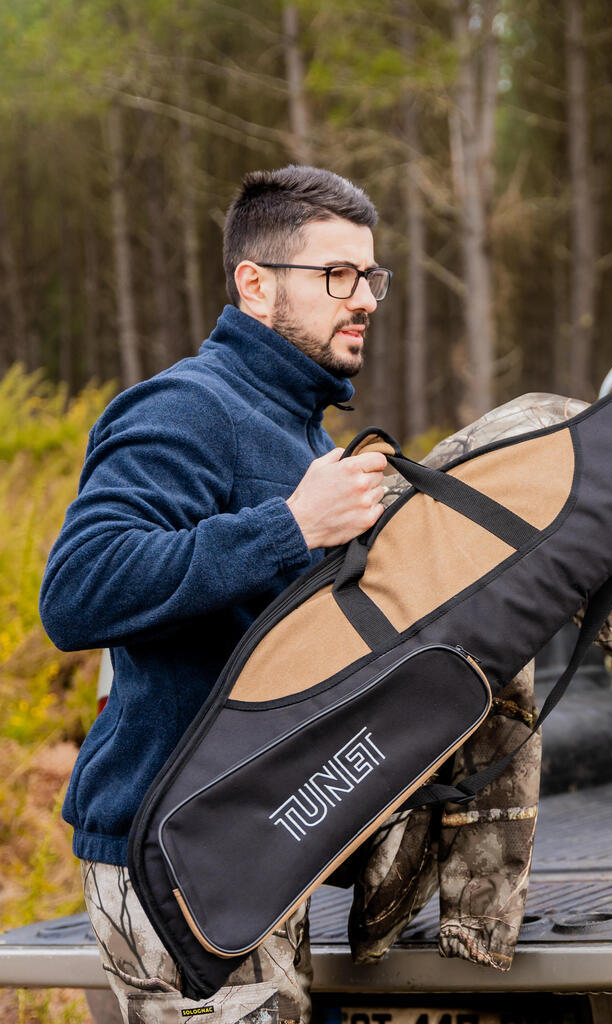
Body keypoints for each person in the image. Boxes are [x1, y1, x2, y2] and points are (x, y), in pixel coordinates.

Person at [40, 165, 396, 1023]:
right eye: (337, 275)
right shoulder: (188, 408)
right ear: (255, 283)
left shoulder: (297, 426)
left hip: (265, 834)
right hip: (173, 850)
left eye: (372, 275)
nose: (366, 299)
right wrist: (292, 527)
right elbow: (79, 588)